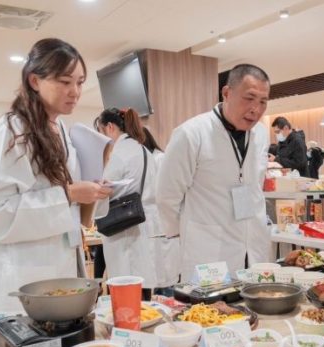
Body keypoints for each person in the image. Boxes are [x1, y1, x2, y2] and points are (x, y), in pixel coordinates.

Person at [0, 38, 111, 347]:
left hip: (61, 267)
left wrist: (87, 195)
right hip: (22, 274)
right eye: (65, 81)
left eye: (81, 82)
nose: (76, 91)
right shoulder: (10, 133)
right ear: (35, 80)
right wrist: (67, 194)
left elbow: (66, 197)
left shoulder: (60, 130)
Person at [157, 64, 271, 280]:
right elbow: (166, 196)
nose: (256, 109)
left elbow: (255, 186)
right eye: (249, 98)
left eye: (263, 102)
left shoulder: (262, 134)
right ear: (227, 93)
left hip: (253, 248)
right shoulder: (191, 134)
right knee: (211, 313)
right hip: (209, 253)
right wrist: (184, 237)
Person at [93, 108, 158, 291]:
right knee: (142, 280)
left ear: (110, 127)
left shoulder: (120, 154)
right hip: (145, 222)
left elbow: (104, 190)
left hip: (122, 225)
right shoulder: (144, 151)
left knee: (125, 282)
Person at [143, 127, 180, 293]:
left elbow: (168, 190)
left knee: (165, 270)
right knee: (157, 268)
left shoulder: (160, 158)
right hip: (150, 220)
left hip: (162, 217)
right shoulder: (146, 158)